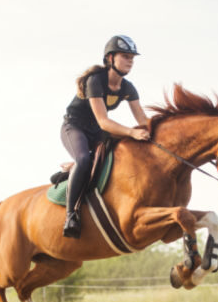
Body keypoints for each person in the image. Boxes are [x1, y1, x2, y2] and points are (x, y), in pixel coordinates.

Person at [60, 35, 151, 238]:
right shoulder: (95, 80)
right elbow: (103, 121)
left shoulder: (128, 87)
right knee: (83, 159)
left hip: (96, 131)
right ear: (110, 58)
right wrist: (131, 131)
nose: (130, 61)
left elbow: (142, 119)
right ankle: (71, 215)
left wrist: (157, 133)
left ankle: (79, 168)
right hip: (74, 127)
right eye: (125, 56)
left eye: (132, 58)